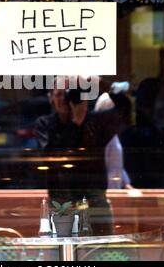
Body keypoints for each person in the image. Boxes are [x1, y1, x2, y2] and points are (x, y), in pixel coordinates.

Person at [34, 79, 124, 235]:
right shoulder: (46, 124)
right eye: (59, 94)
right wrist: (76, 123)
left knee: (101, 253)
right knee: (61, 255)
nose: (64, 99)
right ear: (52, 98)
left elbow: (122, 112)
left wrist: (100, 84)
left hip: (94, 200)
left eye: (69, 94)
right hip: (61, 201)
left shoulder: (94, 122)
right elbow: (51, 158)